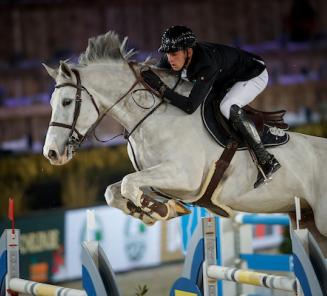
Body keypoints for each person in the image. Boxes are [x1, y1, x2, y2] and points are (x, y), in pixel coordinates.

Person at [141, 25, 280, 188]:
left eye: (174, 53)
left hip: (253, 75)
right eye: (167, 53)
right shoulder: (173, 58)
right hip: (226, 77)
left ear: (189, 51)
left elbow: (189, 107)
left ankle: (266, 160)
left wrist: (161, 88)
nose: (169, 58)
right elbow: (155, 74)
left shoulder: (206, 64)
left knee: (227, 106)